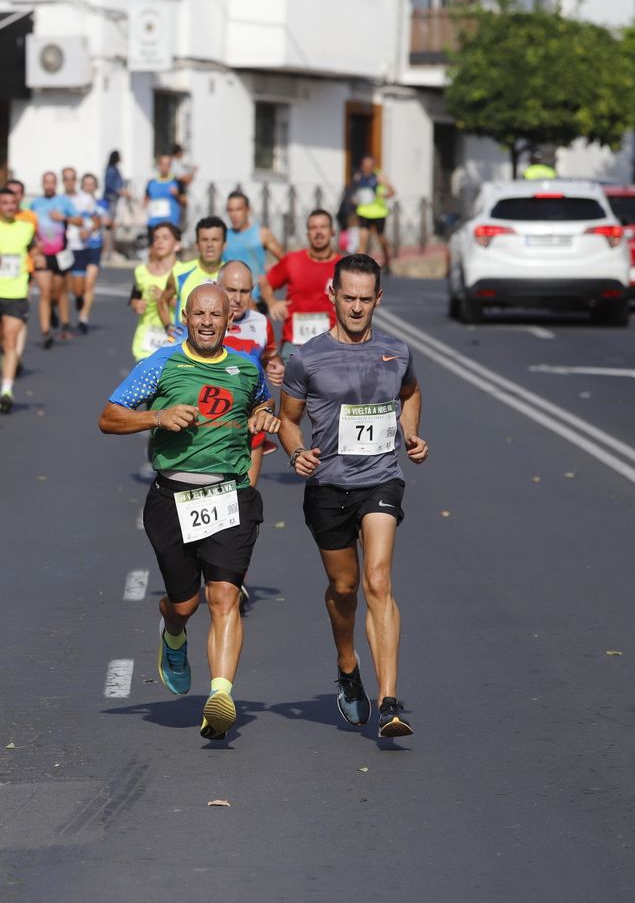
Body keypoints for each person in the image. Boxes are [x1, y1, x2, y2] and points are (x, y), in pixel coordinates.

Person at [98, 284, 278, 742]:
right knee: (185, 603)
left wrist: (264, 416)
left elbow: (261, 400)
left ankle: (220, 694)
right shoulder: (162, 364)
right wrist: (156, 418)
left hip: (229, 496)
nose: (206, 321)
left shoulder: (246, 367)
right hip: (172, 499)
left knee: (224, 596)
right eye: (198, 313)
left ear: (229, 320)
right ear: (185, 315)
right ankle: (172, 631)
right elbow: (109, 416)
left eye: (215, 314)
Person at [278, 254, 426, 740]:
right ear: (332, 295)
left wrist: (410, 434)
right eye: (349, 298)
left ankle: (389, 701)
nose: (357, 308)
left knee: (378, 581)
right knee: (344, 588)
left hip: (381, 478)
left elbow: (411, 392)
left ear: (378, 298)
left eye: (366, 299)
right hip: (328, 486)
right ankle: (347, 664)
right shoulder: (307, 357)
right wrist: (297, 451)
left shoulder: (397, 350)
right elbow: (288, 419)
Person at [218, 261, 282, 485]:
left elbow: (269, 358)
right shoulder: (205, 321)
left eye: (244, 291)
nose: (237, 298)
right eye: (231, 290)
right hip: (212, 425)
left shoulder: (261, 323)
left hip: (249, 425)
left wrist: (275, 366)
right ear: (218, 287)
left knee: (246, 499)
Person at [0, 186, 38, 413]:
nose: (10, 207)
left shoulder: (27, 227)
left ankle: (6, 390)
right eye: (5, 203)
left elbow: (34, 249)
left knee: (10, 341)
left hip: (16, 292)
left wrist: (37, 259)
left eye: (13, 203)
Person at [264, 208, 341, 356]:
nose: (318, 232)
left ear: (332, 232)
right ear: (307, 234)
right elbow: (265, 283)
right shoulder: (293, 260)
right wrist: (272, 302)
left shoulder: (343, 266)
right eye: (313, 228)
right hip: (295, 344)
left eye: (323, 227)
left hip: (331, 345)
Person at [28, 171, 78, 346]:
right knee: (45, 292)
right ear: (42, 184)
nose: (49, 186)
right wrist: (34, 246)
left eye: (52, 183)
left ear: (56, 184)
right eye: (46, 182)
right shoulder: (35, 204)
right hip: (42, 255)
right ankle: (46, 331)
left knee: (57, 293)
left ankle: (55, 313)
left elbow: (79, 221)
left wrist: (63, 217)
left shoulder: (64, 202)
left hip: (60, 253)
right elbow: (28, 227)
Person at [158, 215, 228, 333]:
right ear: (197, 244)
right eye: (204, 240)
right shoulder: (179, 272)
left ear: (224, 244)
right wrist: (168, 327)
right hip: (184, 347)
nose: (209, 245)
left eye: (215, 240)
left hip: (222, 347)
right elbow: (162, 301)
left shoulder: (232, 276)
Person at [129, 221, 180, 361]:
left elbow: (192, 309)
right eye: (156, 238)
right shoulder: (141, 271)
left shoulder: (184, 272)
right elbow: (134, 296)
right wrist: (136, 305)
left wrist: (165, 298)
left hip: (174, 339)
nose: (159, 242)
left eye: (165, 238)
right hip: (145, 341)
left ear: (177, 244)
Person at [65, 168, 108, 332]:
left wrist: (95, 228)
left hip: (94, 247)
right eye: (86, 184)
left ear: (96, 186)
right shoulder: (76, 201)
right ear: (82, 185)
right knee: (77, 287)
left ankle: (83, 317)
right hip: (76, 247)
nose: (89, 187)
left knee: (89, 284)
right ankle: (78, 298)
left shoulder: (100, 203)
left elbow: (103, 221)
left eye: (92, 184)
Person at [221, 191, 284, 304]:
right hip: (230, 302)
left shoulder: (262, 233)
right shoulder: (223, 236)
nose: (234, 214)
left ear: (248, 210)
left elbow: (285, 262)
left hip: (257, 301)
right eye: (230, 210)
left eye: (238, 209)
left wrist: (270, 281)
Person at [345, 155, 395, 267]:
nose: (367, 169)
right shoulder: (358, 176)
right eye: (364, 166)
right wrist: (355, 199)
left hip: (378, 212)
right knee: (362, 238)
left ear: (373, 166)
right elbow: (355, 193)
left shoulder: (379, 176)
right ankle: (360, 265)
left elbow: (392, 192)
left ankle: (387, 256)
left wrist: (383, 194)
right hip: (364, 212)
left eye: (369, 166)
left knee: (380, 237)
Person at [144, 154, 185, 233]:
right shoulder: (151, 183)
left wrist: (177, 195)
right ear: (158, 166)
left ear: (170, 166)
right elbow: (145, 200)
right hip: (154, 224)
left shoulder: (177, 182)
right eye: (162, 164)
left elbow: (185, 202)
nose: (164, 167)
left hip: (171, 224)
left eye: (167, 164)